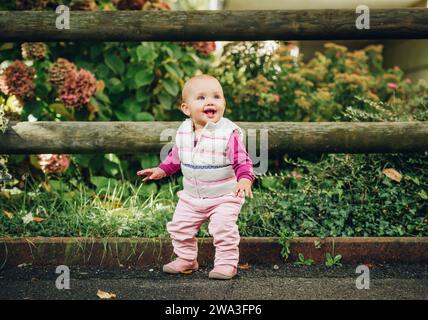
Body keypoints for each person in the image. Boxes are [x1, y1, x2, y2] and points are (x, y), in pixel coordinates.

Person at [137, 74, 254, 280]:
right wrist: (161, 170)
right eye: (201, 98)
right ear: (186, 108)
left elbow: (241, 160)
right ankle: (186, 259)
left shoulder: (228, 133)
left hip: (225, 195)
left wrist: (244, 179)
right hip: (191, 196)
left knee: (222, 228)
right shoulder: (184, 131)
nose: (210, 101)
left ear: (224, 104)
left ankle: (226, 263)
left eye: (216, 97)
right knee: (180, 227)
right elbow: (176, 156)